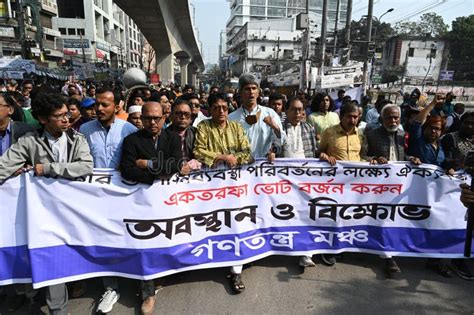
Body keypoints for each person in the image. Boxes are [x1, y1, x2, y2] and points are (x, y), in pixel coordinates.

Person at [0, 93, 94, 315]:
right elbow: (3, 167)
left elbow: (85, 166)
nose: (66, 119)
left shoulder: (77, 139)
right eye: (58, 116)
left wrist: (48, 169)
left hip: (74, 211)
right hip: (44, 214)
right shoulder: (29, 142)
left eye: (67, 114)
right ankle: (56, 309)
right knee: (51, 260)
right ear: (42, 119)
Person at [79, 88, 137, 313]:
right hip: (95, 198)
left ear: (117, 106)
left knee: (126, 237)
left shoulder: (129, 130)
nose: (99, 109)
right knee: (102, 240)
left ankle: (135, 276)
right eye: (97, 105)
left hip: (124, 196)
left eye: (105, 105)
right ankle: (110, 286)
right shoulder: (84, 130)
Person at [193, 92, 253, 294]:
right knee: (211, 222)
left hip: (235, 186)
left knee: (235, 222)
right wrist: (222, 157)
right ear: (209, 110)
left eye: (225, 108)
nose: (221, 111)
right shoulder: (203, 127)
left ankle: (236, 270)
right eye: (216, 108)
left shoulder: (237, 127)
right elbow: (198, 151)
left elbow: (247, 153)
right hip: (209, 187)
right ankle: (211, 259)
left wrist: (233, 158)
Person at [362, 104, 421, 277]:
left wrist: (412, 159)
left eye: (396, 117)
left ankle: (390, 253)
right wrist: (373, 159)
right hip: (378, 187)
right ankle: (388, 257)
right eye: (389, 117)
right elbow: (362, 155)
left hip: (400, 186)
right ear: (382, 119)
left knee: (395, 219)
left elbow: (405, 155)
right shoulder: (371, 135)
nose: (393, 120)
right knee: (381, 219)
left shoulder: (404, 135)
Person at [319, 102, 362, 266]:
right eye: (349, 117)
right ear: (341, 117)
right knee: (333, 216)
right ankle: (329, 249)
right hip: (334, 184)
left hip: (356, 185)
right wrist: (323, 155)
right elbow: (319, 152)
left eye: (355, 117)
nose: (352, 120)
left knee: (350, 215)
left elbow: (363, 156)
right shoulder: (329, 133)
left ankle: (344, 246)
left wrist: (373, 160)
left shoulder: (361, 134)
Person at [278, 97, 318, 267]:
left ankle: (306, 254)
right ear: (286, 112)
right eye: (293, 109)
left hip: (305, 180)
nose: (297, 113)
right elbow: (273, 148)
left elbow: (314, 152)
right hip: (282, 180)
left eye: (300, 110)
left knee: (305, 216)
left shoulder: (309, 128)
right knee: (283, 215)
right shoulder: (279, 128)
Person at [229, 73, 285, 160]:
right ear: (240, 92)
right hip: (240, 167)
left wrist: (275, 127)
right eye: (247, 89)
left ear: (258, 92)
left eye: (254, 88)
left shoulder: (269, 113)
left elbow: (281, 140)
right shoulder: (231, 118)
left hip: (264, 165)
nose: (251, 92)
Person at [168, 99, 199, 165]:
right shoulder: (163, 135)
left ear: (191, 118)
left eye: (186, 114)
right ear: (171, 116)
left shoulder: (197, 134)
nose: (182, 117)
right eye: (178, 113)